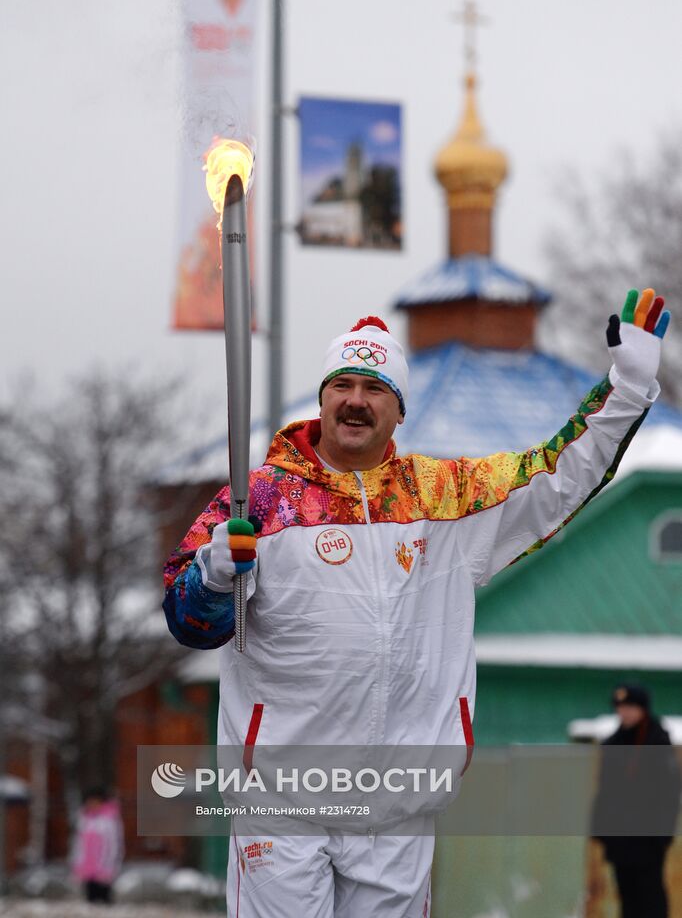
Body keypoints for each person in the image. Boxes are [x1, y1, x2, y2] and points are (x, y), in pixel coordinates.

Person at [164, 289, 670, 918]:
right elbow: (188, 622)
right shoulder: (260, 501)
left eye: (375, 389)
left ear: (398, 409)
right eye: (342, 384)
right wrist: (213, 579)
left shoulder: (443, 498)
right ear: (322, 399)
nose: (355, 400)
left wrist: (626, 390)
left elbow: (556, 475)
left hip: (397, 804)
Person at [590, 685, 680, 918]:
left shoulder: (657, 742)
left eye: (630, 707)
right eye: (620, 707)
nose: (625, 713)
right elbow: (605, 791)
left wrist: (662, 836)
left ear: (643, 709)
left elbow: (669, 793)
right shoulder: (614, 743)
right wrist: (600, 829)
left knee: (650, 896)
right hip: (620, 837)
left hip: (647, 839)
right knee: (627, 895)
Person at [71, 787, 124, 904]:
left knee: (104, 898)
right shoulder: (85, 819)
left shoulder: (109, 819)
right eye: (89, 802)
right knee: (90, 897)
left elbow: (114, 844)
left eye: (94, 801)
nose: (92, 804)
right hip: (87, 867)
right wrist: (77, 863)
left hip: (104, 867)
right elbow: (79, 844)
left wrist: (111, 865)